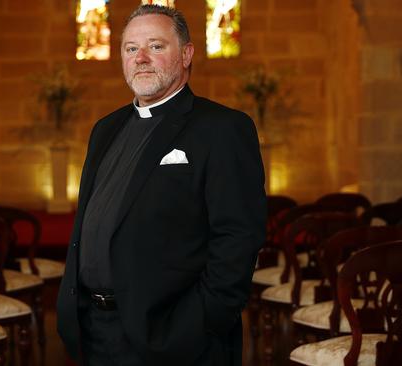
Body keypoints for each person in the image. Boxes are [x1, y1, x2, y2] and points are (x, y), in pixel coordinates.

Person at [57, 4, 266, 366]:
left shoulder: (222, 128)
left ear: (186, 54)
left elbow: (238, 237)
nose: (140, 58)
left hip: (174, 338)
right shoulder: (105, 129)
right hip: (94, 331)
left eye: (155, 46)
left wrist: (201, 321)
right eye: (130, 48)